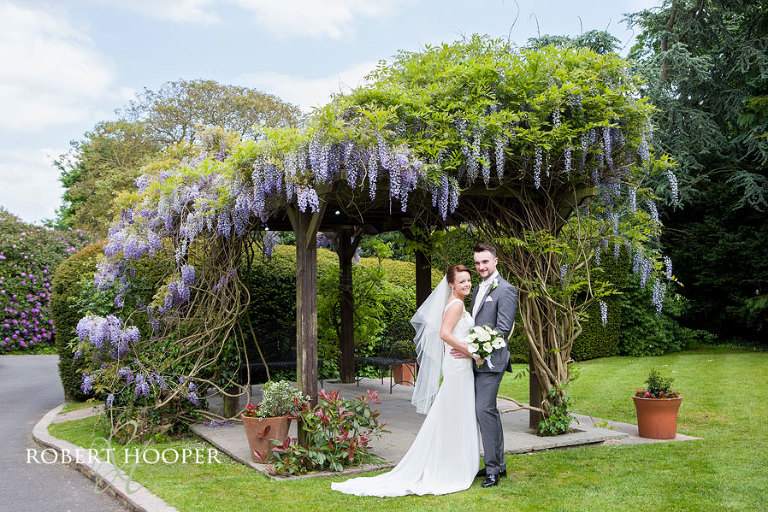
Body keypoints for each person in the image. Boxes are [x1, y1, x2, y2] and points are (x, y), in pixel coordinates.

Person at [331, 265, 481, 496]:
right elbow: (444, 334)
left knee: (453, 411)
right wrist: (472, 351)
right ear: (451, 284)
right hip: (459, 366)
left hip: (457, 365)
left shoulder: (452, 302)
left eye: (468, 280)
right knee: (456, 411)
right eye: (462, 281)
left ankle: (452, 459)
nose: (467, 284)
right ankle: (453, 465)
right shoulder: (457, 304)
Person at [450, 243, 517, 488]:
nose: (480, 267)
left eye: (485, 262)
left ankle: (492, 471)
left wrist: (472, 352)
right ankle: (498, 463)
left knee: (483, 411)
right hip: (475, 362)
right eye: (477, 263)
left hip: (491, 361)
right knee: (488, 412)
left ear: (496, 261)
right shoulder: (477, 289)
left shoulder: (506, 290)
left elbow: (501, 330)